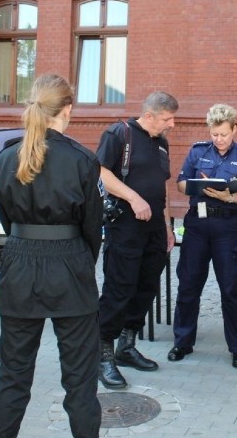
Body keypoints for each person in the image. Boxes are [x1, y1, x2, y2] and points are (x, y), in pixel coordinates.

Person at [0, 74, 103, 438]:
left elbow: (7, 219)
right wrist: (83, 262)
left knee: (12, 376)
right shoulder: (82, 159)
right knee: (80, 381)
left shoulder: (8, 158)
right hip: (69, 263)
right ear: (67, 109)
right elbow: (92, 226)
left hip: (21, 262)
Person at [96, 91, 178, 389]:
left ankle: (126, 346)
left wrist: (168, 225)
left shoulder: (162, 143)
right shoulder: (120, 133)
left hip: (155, 229)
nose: (172, 124)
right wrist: (133, 198)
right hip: (126, 228)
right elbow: (102, 173)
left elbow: (163, 186)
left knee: (145, 288)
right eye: (168, 119)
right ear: (151, 115)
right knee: (119, 288)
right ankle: (102, 354)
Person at [169, 104, 237, 369]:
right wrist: (197, 185)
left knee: (231, 288)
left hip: (228, 224)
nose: (219, 139)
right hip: (197, 224)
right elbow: (181, 183)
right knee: (188, 285)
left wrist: (229, 196)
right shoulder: (198, 151)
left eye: (223, 134)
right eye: (215, 134)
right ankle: (182, 342)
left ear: (234, 129)